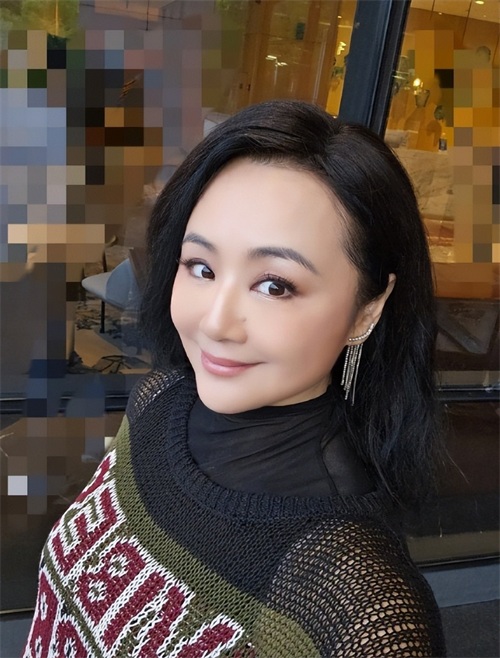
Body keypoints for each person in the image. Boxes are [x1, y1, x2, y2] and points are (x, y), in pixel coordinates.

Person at [24, 100, 446, 657]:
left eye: (275, 285)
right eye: (201, 267)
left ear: (368, 308)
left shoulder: (357, 604)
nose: (215, 323)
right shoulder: (160, 402)